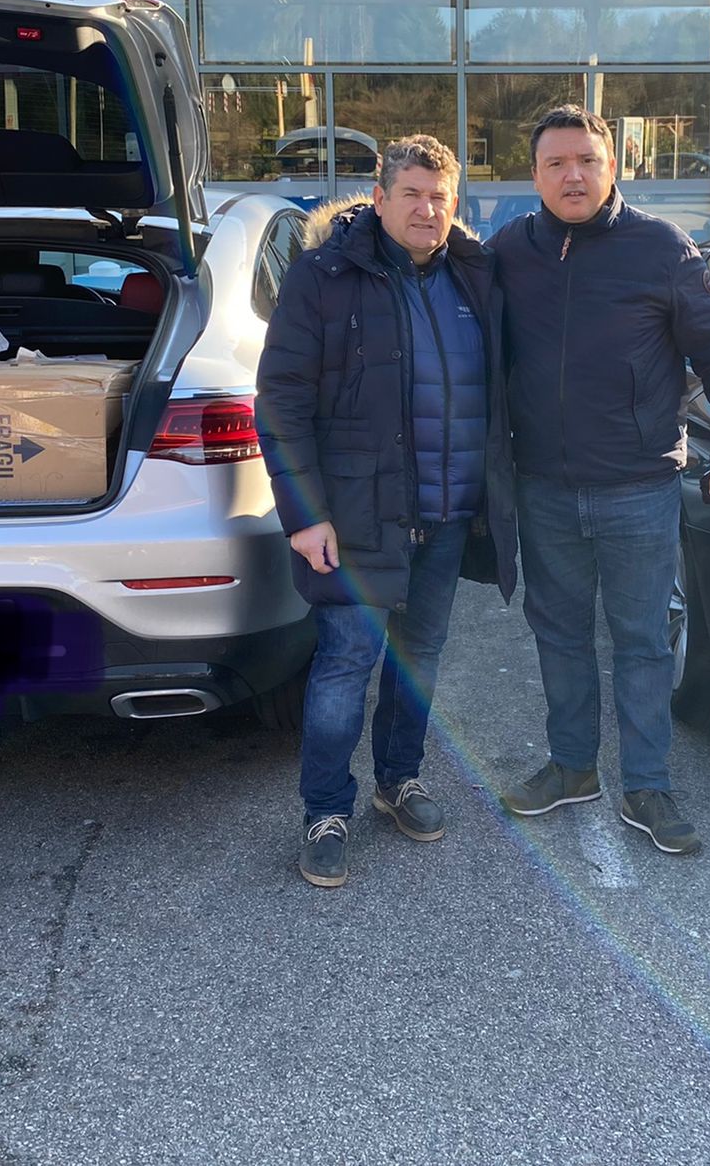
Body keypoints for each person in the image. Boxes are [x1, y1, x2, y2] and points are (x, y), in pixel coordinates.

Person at [491, 105, 710, 856]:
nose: (572, 174)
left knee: (641, 642)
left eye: (586, 160)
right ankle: (573, 767)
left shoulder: (661, 249)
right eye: (555, 163)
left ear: (614, 167)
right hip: (542, 485)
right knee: (560, 636)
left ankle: (647, 784)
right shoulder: (510, 251)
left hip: (639, 487)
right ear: (535, 174)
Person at [254, 135, 517, 889]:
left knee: (420, 659)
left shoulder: (474, 275)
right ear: (379, 199)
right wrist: (304, 515)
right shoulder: (324, 278)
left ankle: (397, 779)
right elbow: (282, 404)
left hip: (447, 513)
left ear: (454, 204)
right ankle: (325, 811)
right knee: (344, 665)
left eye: (440, 197)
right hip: (357, 515)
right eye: (412, 195)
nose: (427, 209)